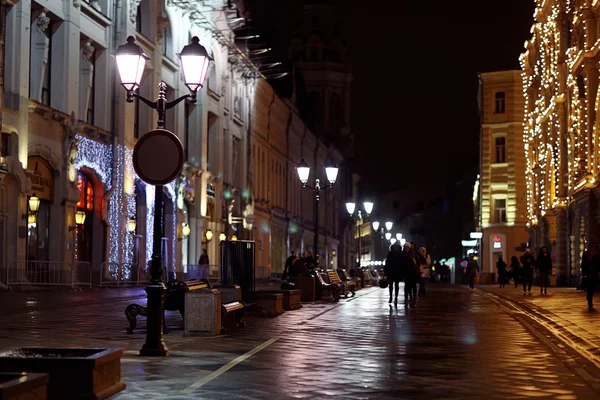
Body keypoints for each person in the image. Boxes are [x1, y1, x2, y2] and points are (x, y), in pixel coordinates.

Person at [582, 242, 600, 308]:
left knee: (592, 287)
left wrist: (596, 269)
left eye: (594, 247)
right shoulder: (586, 254)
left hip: (594, 273)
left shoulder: (597, 255)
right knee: (589, 286)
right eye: (592, 247)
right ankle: (590, 300)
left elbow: (598, 263)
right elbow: (583, 263)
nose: (593, 248)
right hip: (588, 273)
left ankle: (589, 297)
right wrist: (584, 271)